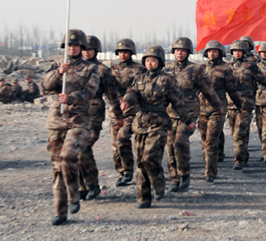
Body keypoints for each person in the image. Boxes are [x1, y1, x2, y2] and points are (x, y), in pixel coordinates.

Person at [121, 44, 193, 209]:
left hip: (159, 123)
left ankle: (159, 183)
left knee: (150, 158)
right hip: (141, 123)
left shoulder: (167, 80)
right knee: (141, 162)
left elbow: (178, 102)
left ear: (159, 62)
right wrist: (126, 101)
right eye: (147, 60)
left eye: (153, 60)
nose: (150, 63)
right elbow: (132, 92)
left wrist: (188, 120)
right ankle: (143, 198)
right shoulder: (139, 78)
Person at [41, 29, 100, 226]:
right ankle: (60, 212)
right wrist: (59, 73)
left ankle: (74, 194)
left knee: (68, 156)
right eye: (69, 45)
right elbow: (45, 85)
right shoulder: (57, 65)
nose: (72, 48)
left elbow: (90, 92)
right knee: (57, 167)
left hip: (78, 119)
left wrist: (71, 98)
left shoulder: (90, 68)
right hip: (57, 119)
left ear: (82, 47)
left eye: (76, 45)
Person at [164, 37, 222, 192]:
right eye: (177, 50)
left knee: (180, 141)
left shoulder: (196, 69)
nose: (180, 53)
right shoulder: (166, 68)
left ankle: (184, 174)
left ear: (188, 52)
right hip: (170, 112)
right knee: (169, 145)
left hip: (189, 111)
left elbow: (207, 90)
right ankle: (174, 178)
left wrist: (218, 106)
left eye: (183, 50)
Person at [79, 35, 123, 201]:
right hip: (75, 112)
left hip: (94, 111)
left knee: (84, 146)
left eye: (90, 49)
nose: (86, 52)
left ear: (96, 50)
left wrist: (118, 115)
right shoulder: (75, 68)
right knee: (74, 149)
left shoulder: (102, 70)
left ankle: (92, 185)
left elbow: (112, 95)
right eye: (84, 49)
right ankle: (82, 186)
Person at [229, 39, 266, 169]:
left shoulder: (250, 66)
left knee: (239, 132)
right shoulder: (227, 67)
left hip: (245, 103)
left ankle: (238, 161)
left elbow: (263, 79)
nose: (237, 53)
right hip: (230, 103)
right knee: (236, 132)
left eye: (240, 51)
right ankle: (244, 155)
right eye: (235, 51)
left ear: (244, 52)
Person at [200, 40, 242, 182]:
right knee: (204, 139)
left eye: (215, 51)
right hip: (202, 107)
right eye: (209, 51)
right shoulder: (201, 68)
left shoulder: (225, 69)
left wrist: (239, 105)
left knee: (211, 140)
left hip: (218, 108)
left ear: (220, 53)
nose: (212, 54)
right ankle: (208, 163)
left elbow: (232, 89)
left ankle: (210, 172)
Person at [110, 38, 146, 187]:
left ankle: (139, 171)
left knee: (126, 139)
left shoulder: (140, 69)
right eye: (120, 52)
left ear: (131, 53)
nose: (123, 55)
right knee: (116, 145)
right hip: (116, 109)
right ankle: (124, 172)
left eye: (125, 52)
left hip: (134, 110)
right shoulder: (113, 68)